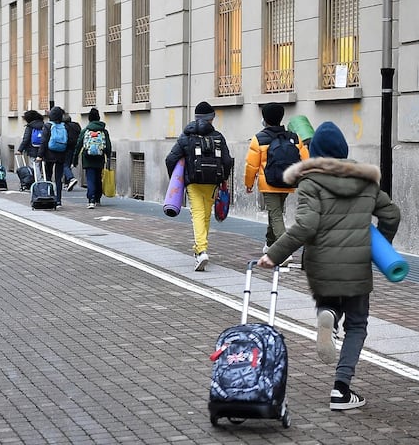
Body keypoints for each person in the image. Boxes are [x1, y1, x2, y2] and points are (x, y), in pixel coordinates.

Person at [257, 121, 400, 411]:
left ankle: (328, 314)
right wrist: (379, 246)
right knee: (357, 324)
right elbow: (392, 214)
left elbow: (307, 225)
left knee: (331, 303)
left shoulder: (309, 183)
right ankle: (341, 390)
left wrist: (274, 253)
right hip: (357, 262)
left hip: (322, 262)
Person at [164, 101, 234, 271]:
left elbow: (170, 159)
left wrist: (176, 179)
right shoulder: (218, 137)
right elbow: (226, 160)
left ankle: (201, 251)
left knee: (197, 214)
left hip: (193, 182)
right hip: (212, 182)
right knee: (206, 215)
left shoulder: (186, 136)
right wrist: (223, 178)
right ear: (211, 119)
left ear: (196, 118)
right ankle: (200, 249)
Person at [244, 102, 309, 264]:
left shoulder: (258, 139)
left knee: (276, 214)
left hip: (269, 183)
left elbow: (251, 165)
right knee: (276, 213)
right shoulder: (294, 137)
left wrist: (249, 183)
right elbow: (305, 160)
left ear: (264, 119)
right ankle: (269, 243)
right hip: (288, 181)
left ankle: (283, 251)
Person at [73, 107, 112, 209]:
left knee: (90, 178)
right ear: (99, 118)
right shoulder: (104, 131)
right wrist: (108, 157)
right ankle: (98, 198)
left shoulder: (85, 130)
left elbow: (78, 145)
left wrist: (75, 158)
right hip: (100, 157)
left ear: (89, 119)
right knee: (98, 177)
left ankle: (91, 200)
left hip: (87, 158)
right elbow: (108, 145)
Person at [37, 106, 69, 207]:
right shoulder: (64, 126)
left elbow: (43, 142)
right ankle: (58, 200)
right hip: (61, 154)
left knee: (48, 176)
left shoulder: (48, 126)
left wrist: (39, 155)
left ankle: (50, 196)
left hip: (49, 155)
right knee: (59, 178)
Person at [15, 110, 45, 178]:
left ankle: (38, 182)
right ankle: (41, 180)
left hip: (33, 149)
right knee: (40, 165)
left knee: (34, 165)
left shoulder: (30, 126)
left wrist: (20, 150)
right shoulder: (43, 125)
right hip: (43, 148)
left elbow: (26, 139)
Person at [62, 112, 81, 191]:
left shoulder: (63, 127)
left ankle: (71, 178)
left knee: (65, 165)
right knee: (68, 164)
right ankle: (67, 183)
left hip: (66, 147)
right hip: (75, 147)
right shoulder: (76, 126)